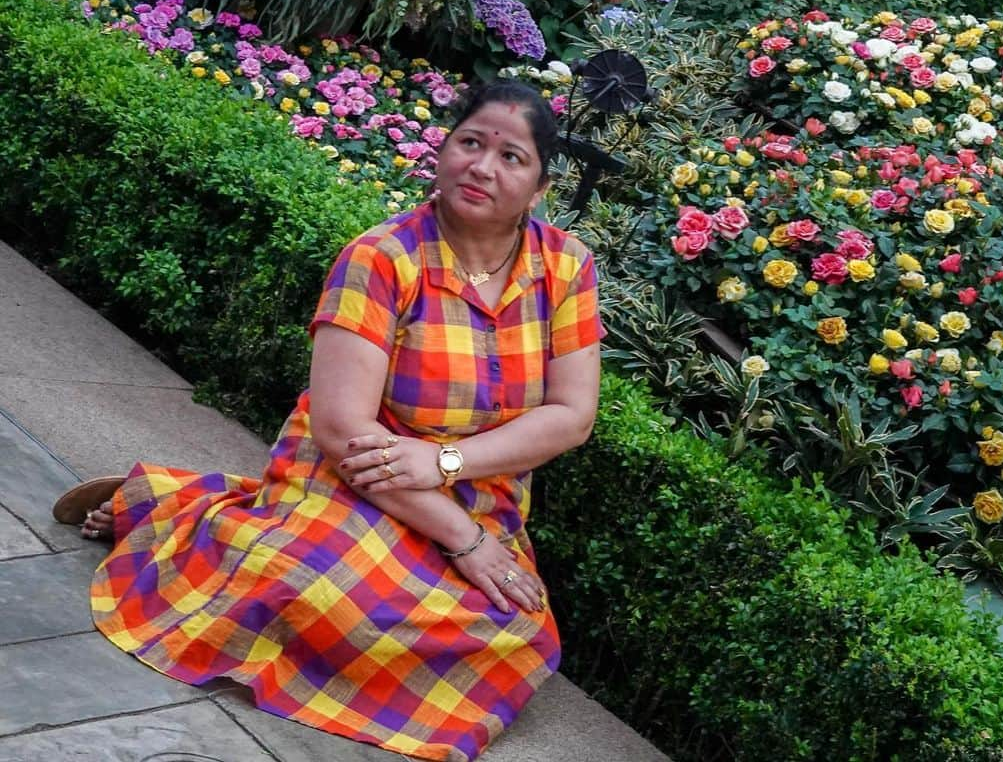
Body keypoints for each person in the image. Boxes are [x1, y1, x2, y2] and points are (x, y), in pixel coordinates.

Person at [52, 80, 604, 762]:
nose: (483, 167)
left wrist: (446, 466)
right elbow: (344, 433)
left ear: (541, 183)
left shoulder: (566, 268)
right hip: (353, 475)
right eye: (470, 142)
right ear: (444, 150)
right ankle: (172, 511)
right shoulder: (382, 257)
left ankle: (198, 505)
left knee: (513, 632)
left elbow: (572, 415)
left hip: (475, 488)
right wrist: (462, 541)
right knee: (322, 593)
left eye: (511, 156)